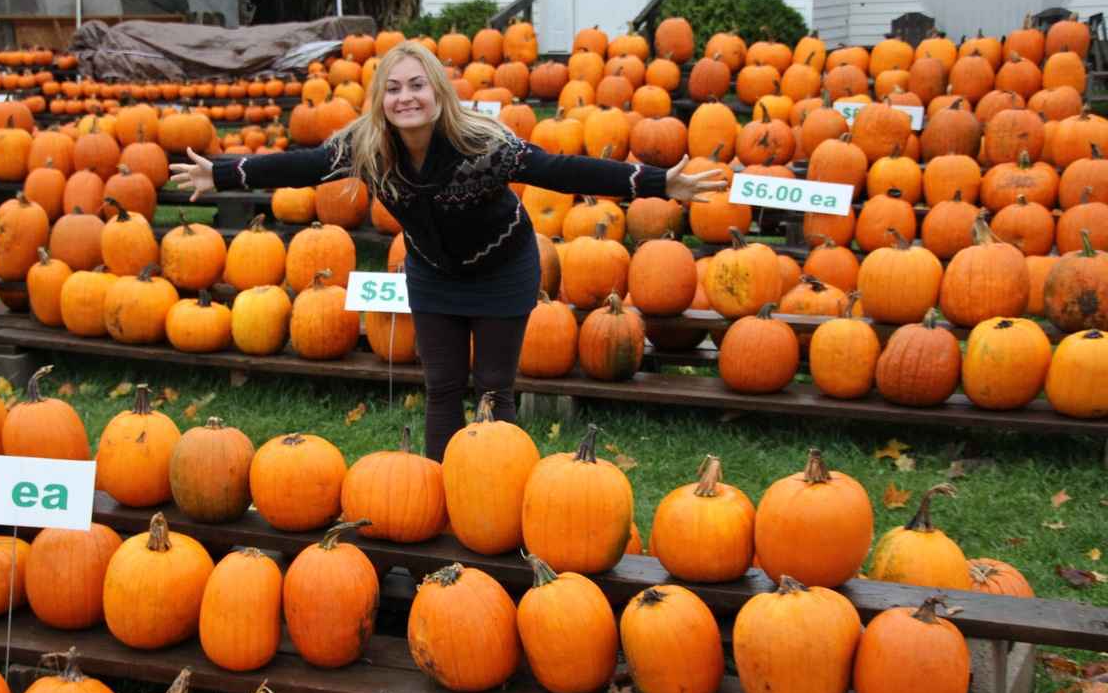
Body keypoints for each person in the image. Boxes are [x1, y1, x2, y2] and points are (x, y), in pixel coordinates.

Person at [170, 42, 726, 462]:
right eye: (393, 88)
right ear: (380, 99)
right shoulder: (367, 147)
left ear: (437, 93)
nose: (405, 97)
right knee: (440, 388)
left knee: (492, 387)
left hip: (503, 268)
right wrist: (222, 171)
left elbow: (559, 169)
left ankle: (494, 485)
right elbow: (301, 164)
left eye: (416, 86)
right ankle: (438, 491)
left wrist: (655, 182)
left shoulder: (484, 145)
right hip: (433, 274)